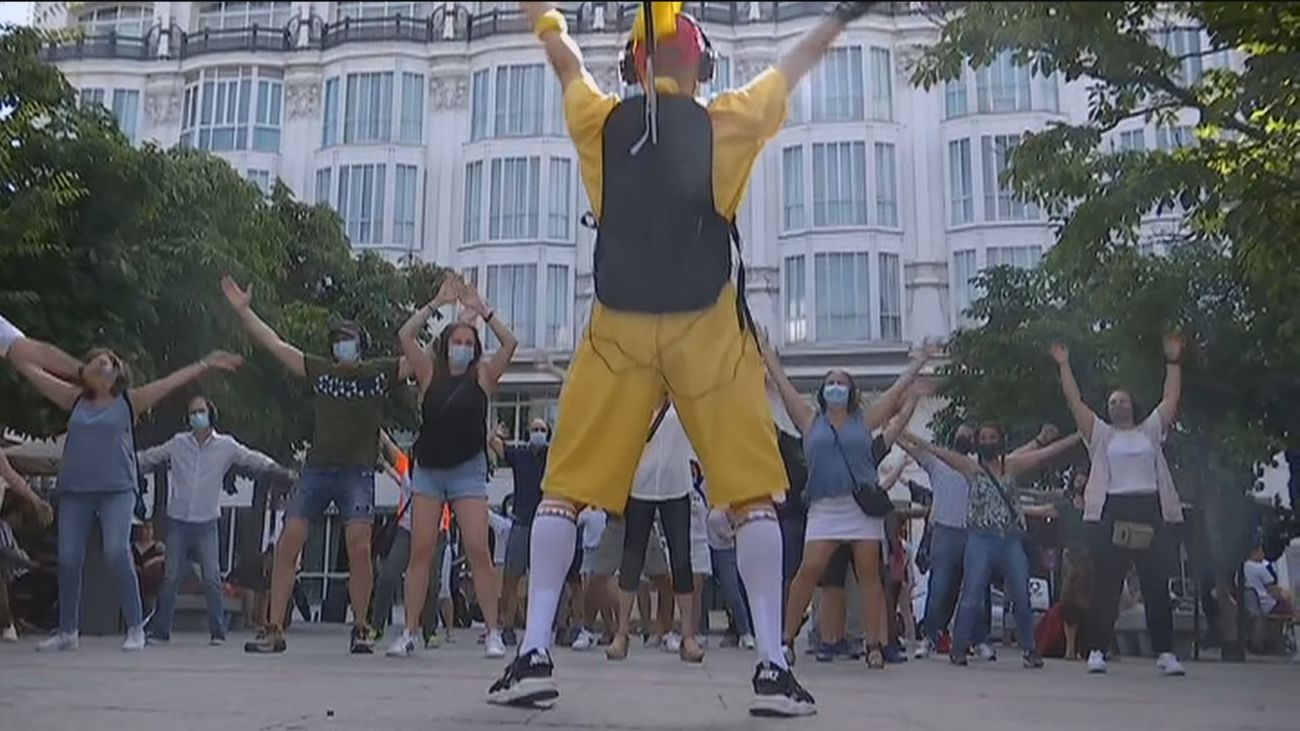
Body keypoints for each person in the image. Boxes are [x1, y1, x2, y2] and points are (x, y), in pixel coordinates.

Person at [490, 1, 878, 716]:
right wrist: (841, 19)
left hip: (618, 326)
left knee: (563, 492)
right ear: (700, 64)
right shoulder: (730, 117)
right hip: (707, 327)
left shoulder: (599, 122)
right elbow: (797, 63)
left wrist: (545, 16)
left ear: (636, 64)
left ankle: (534, 652)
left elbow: (567, 61)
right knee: (753, 496)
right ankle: (771, 662)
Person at [223, 276, 408, 655]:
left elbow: (421, 362)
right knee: (289, 540)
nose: (344, 345)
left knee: (358, 547)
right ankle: (274, 627)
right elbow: (276, 345)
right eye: (339, 339)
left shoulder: (378, 373)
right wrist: (244, 312)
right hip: (318, 468)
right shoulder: (320, 371)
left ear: (362, 345)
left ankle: (360, 627)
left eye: (350, 339)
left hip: (358, 471)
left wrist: (464, 316)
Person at [15, 347, 242, 652]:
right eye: (96, 361)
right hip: (76, 489)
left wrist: (205, 363)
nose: (102, 364)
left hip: (117, 489)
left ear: (117, 372)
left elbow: (170, 382)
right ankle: (68, 630)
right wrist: (12, 349)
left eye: (108, 362)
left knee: (116, 552)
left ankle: (135, 627)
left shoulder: (128, 401)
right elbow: (34, 371)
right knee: (69, 558)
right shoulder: (75, 399)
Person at [765, 331, 932, 670]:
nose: (836, 387)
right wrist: (768, 354)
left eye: (842, 382)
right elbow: (782, 385)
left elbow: (896, 391)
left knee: (869, 575)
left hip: (860, 507)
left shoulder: (864, 420)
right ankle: (785, 640)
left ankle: (873, 644)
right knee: (807, 572)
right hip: (825, 507)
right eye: (830, 382)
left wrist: (919, 364)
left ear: (852, 391)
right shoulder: (810, 421)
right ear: (823, 391)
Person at [386, 274, 517, 659]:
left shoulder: (483, 376)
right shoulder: (428, 373)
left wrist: (483, 310)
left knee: (478, 548)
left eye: (468, 343)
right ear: (445, 345)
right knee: (421, 551)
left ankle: (493, 631)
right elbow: (405, 336)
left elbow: (510, 343)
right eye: (456, 341)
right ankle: (409, 631)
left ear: (475, 348)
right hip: (428, 470)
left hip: (467, 470)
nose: (462, 347)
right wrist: (437, 303)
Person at [1051, 336, 1188, 676]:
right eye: (1111, 402)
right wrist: (1064, 365)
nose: (1116, 405)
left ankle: (1166, 653)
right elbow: (1074, 401)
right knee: (1108, 585)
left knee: (1155, 583)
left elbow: (1171, 399)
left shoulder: (1150, 430)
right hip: (1113, 509)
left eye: (1122, 400)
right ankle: (1096, 650)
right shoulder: (1101, 434)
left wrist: (1173, 362)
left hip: (1148, 507)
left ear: (1133, 405)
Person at [900, 424, 1081, 669]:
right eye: (983, 438)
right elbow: (935, 450)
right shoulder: (971, 467)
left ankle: (1030, 650)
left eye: (992, 437)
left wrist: (1078, 435)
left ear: (1000, 440)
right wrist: (904, 432)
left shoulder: (1010, 465)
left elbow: (1043, 454)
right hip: (980, 539)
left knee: (1021, 595)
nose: (988, 441)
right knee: (971, 595)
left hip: (1009, 539)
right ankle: (959, 648)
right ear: (977, 442)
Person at [136, 395, 291, 645]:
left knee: (211, 577)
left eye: (200, 411)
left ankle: (218, 633)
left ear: (211, 414)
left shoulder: (225, 445)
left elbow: (250, 457)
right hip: (179, 518)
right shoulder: (178, 443)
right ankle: (161, 631)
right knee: (172, 576)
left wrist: (275, 469)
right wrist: (125, 461)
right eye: (192, 412)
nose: (196, 416)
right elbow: (150, 457)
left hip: (207, 520)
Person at [605, 404, 705, 663]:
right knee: (631, 558)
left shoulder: (682, 396)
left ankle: (687, 636)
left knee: (681, 560)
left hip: (676, 485)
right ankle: (622, 633)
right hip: (640, 485)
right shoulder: (638, 394)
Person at [490, 416, 551, 647]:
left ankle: (540, 627)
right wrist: (493, 433)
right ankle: (507, 626)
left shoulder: (552, 457)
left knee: (542, 581)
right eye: (535, 428)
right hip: (521, 523)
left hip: (544, 525)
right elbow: (495, 445)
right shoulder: (520, 454)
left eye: (542, 429)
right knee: (511, 577)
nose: (538, 432)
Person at [1243, 543, 1294, 651]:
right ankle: (1279, 642)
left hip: (1253, 604)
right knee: (1290, 605)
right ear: (1253, 552)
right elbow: (1274, 592)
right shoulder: (1260, 568)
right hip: (1267, 604)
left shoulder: (1244, 567)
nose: (1263, 553)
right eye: (1260, 550)